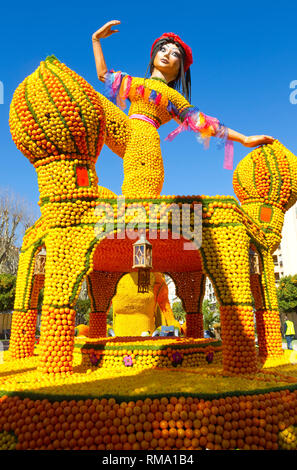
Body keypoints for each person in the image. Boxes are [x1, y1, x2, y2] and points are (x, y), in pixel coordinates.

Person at [92, 20, 275, 197]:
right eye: (163, 50)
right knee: (88, 99)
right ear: (154, 54)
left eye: (174, 54)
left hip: (145, 142)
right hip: (123, 127)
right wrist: (96, 40)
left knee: (139, 199)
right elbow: (103, 75)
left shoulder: (175, 98)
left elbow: (204, 124)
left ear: (180, 67)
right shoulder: (135, 82)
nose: (166, 54)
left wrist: (244, 138)